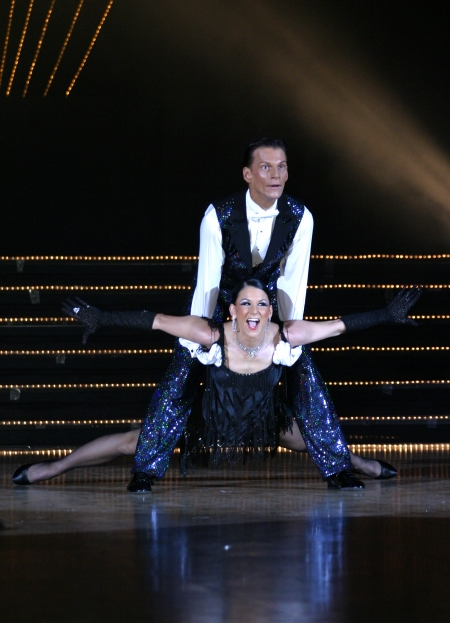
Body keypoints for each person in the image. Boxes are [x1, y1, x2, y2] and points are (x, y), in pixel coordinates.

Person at [12, 280, 421, 489]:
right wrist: (102, 318)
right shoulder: (209, 334)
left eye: (261, 303)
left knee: (312, 438)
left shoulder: (287, 335)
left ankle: (360, 465)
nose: (254, 309)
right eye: (246, 303)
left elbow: (340, 327)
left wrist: (386, 314)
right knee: (132, 443)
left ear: (270, 311)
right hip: (207, 421)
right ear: (232, 310)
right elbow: (156, 320)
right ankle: (54, 467)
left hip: (263, 421)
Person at [126, 138, 356, 493]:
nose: (276, 174)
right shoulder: (218, 215)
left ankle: (338, 468)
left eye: (282, 167)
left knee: (306, 376)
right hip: (221, 303)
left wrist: (290, 336)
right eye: (266, 167)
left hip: (264, 307)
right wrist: (199, 336)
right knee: (181, 376)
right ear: (248, 174)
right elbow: (207, 282)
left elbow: (293, 283)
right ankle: (146, 470)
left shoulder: (300, 216)